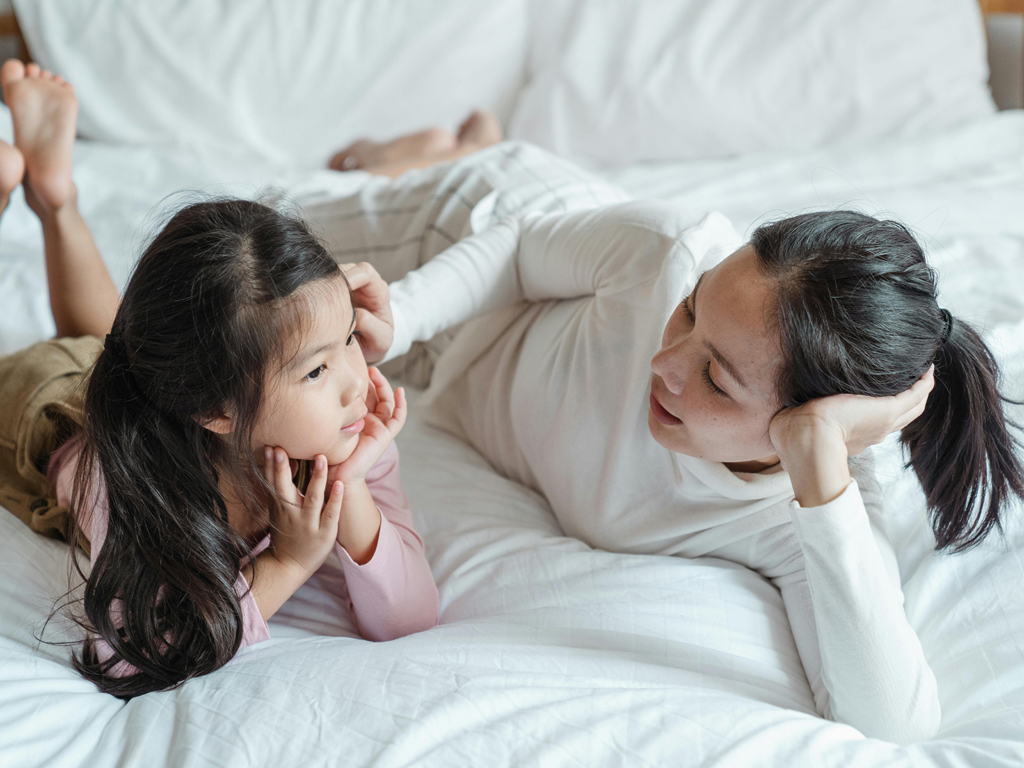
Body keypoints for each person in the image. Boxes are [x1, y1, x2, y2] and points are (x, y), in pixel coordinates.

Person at [308, 134, 1023, 744]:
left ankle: (456, 137)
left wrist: (818, 456)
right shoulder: (664, 251)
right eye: (690, 312)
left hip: (446, 379)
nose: (663, 363)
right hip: (461, 244)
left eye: (714, 378)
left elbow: (896, 726)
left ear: (801, 427)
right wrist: (402, 316)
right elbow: (524, 246)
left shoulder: (801, 512)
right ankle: (451, 147)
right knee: (283, 227)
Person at [0, 60, 439, 700]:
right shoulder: (131, 478)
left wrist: (350, 486)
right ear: (216, 411)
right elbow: (131, 656)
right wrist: (286, 562)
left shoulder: (344, 422)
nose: (354, 380)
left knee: (105, 343)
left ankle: (54, 194)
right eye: (317, 367)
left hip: (136, 376)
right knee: (76, 357)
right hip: (41, 415)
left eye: (349, 337)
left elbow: (410, 617)